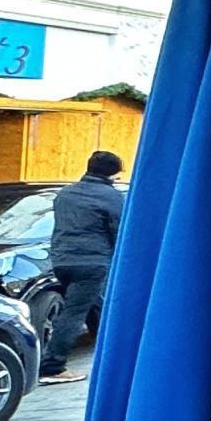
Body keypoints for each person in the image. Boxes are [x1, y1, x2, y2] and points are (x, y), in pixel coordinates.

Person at [41, 151, 125, 380]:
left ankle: (111, 356)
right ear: (113, 174)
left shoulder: (65, 194)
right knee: (74, 314)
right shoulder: (111, 197)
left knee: (96, 306)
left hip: (61, 260)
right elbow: (119, 232)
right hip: (92, 263)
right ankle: (53, 367)